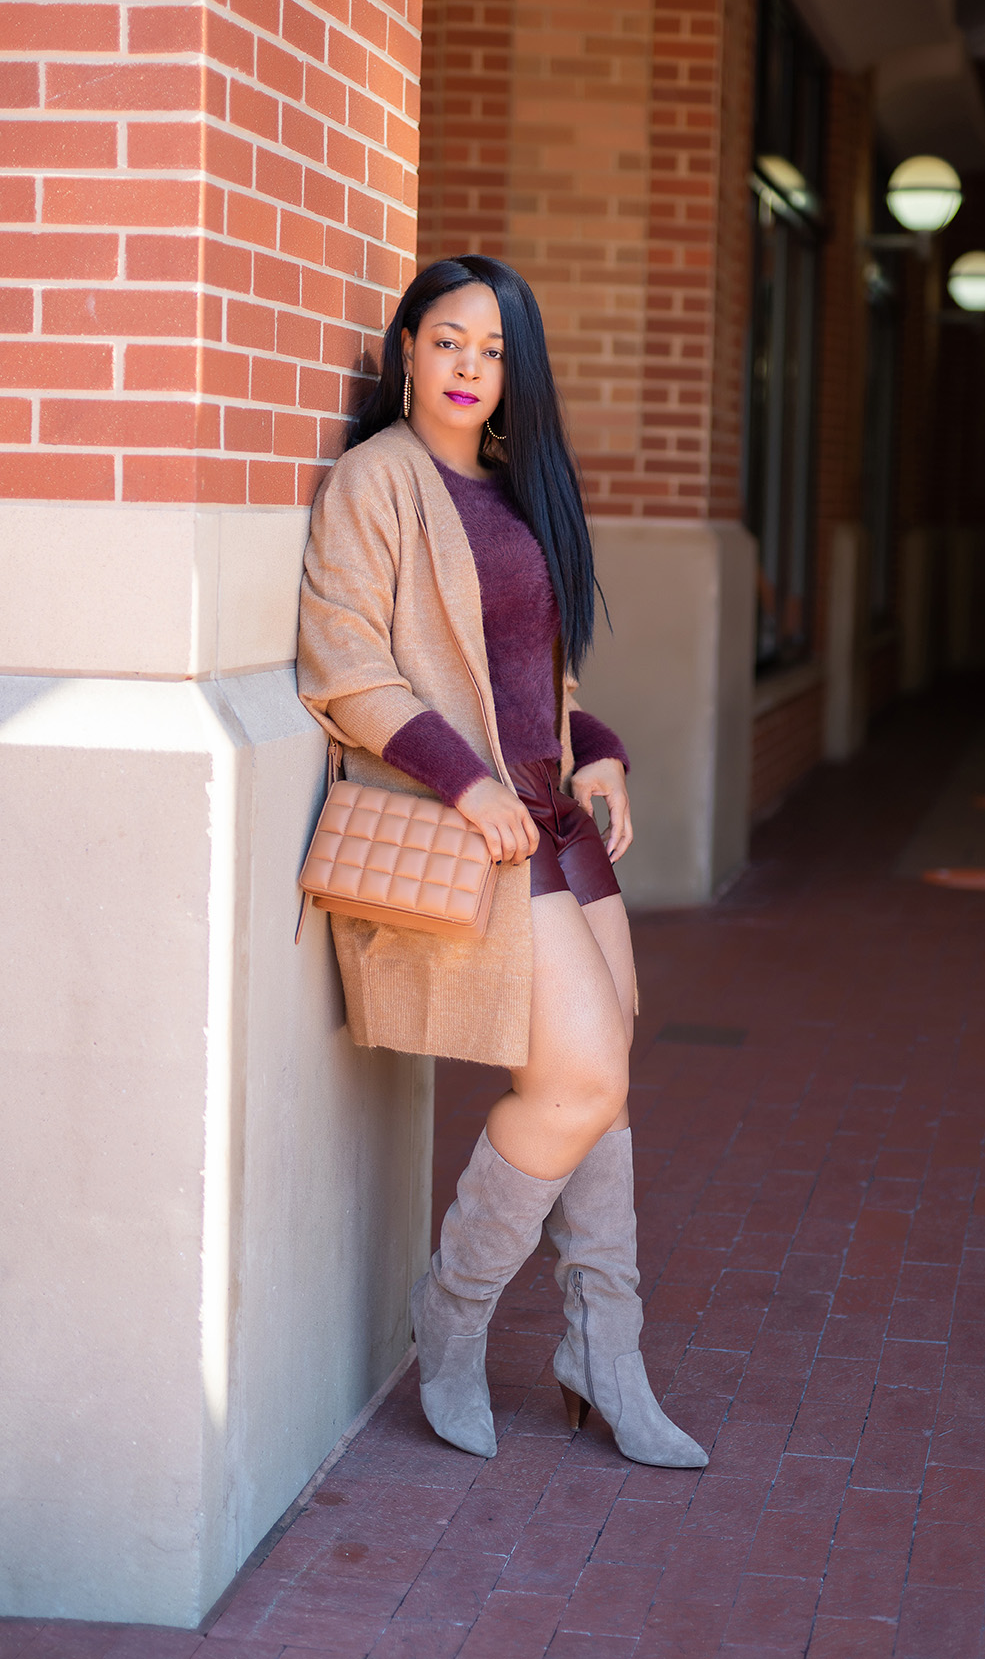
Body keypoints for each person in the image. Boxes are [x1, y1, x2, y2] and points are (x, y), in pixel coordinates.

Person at [296, 255, 708, 1470]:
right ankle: (456, 1315)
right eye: (449, 342)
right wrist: (464, 778)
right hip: (475, 828)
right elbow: (344, 665)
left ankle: (604, 1351)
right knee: (579, 1079)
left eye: (494, 353)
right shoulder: (378, 481)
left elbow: (537, 681)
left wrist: (602, 751)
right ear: (405, 348)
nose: (469, 370)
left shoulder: (517, 492)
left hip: (554, 821)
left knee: (605, 1076)